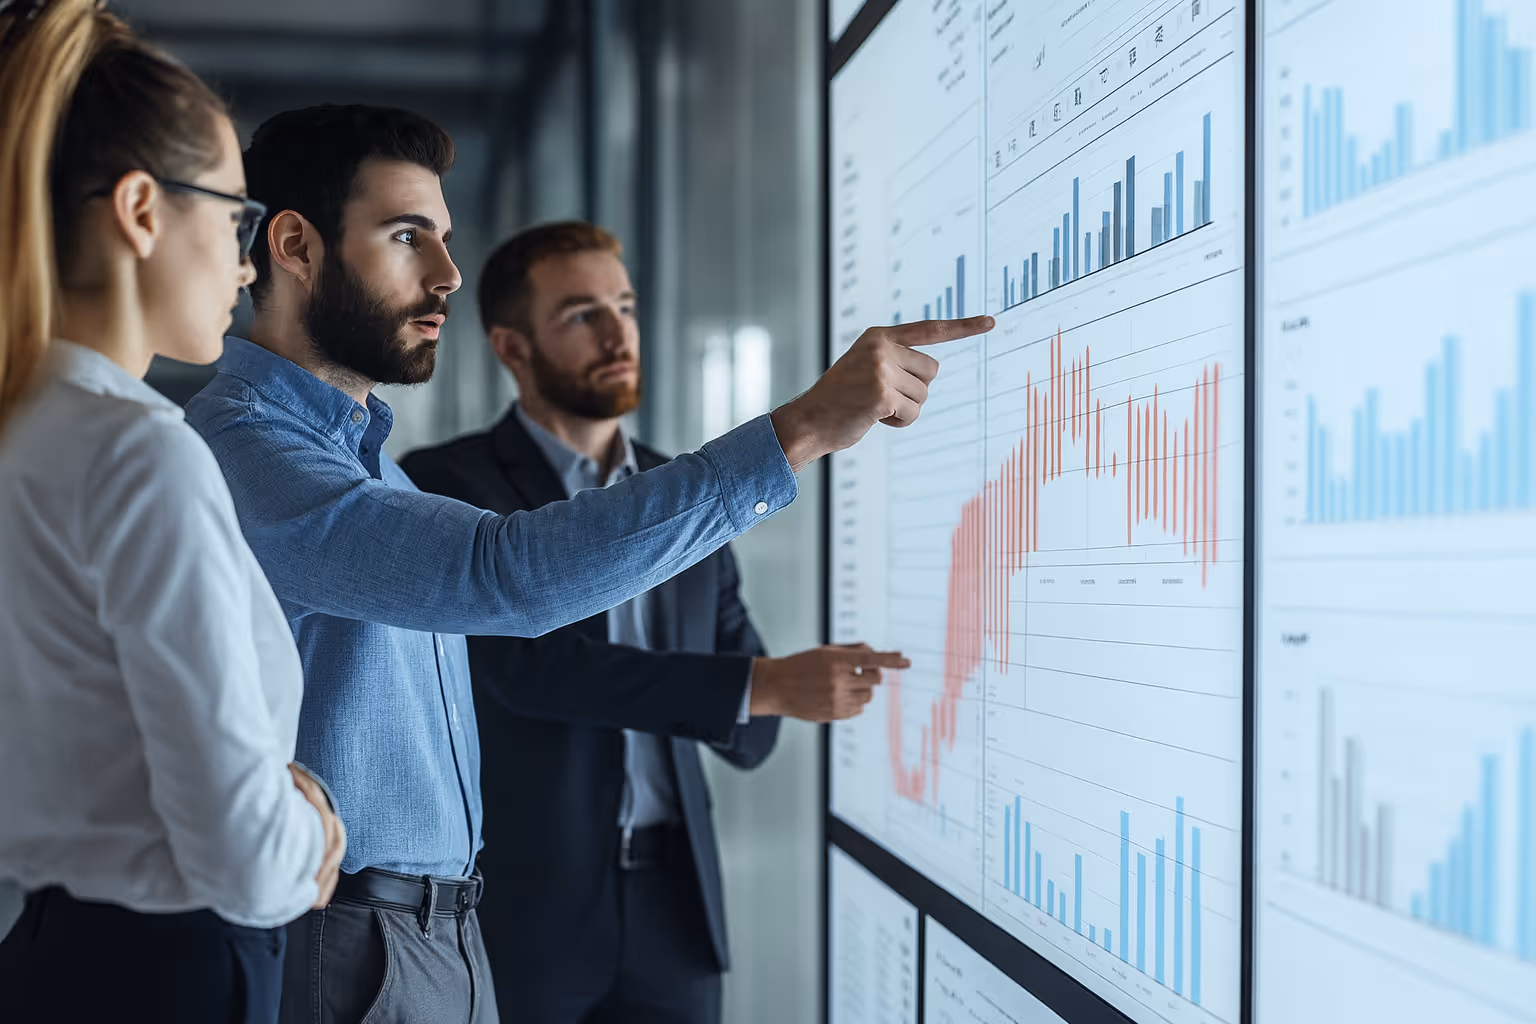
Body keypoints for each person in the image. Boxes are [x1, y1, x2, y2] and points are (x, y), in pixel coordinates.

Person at [184, 102, 991, 1024]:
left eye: (443, 238)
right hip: (356, 938)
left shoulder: (383, 468)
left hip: (442, 930)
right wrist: (798, 430)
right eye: (409, 237)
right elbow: (508, 585)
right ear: (293, 244)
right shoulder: (251, 454)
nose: (447, 273)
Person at [401, 222, 877, 1022]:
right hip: (527, 909)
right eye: (583, 314)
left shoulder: (680, 491)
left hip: (675, 911)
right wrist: (759, 686)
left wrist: (767, 691)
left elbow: (752, 732)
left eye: (623, 305)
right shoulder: (447, 482)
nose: (620, 332)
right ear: (512, 346)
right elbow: (527, 672)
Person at [0, 3, 345, 1022]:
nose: (248, 265)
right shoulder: (140, 451)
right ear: (142, 210)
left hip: (48, 953)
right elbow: (245, 859)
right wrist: (314, 828)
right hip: (172, 970)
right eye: (237, 218)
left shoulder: (27, 428)